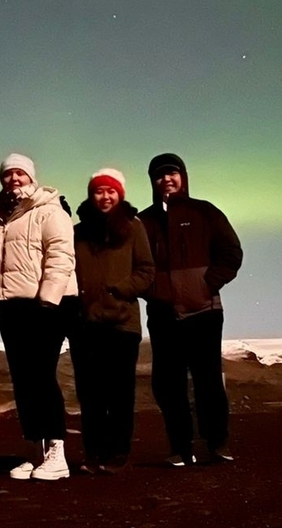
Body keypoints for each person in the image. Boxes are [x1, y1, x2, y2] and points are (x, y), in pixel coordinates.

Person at [138, 153, 243, 466]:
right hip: (163, 315)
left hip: (205, 311)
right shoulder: (144, 221)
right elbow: (136, 265)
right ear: (153, 182)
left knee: (208, 380)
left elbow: (231, 251)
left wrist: (208, 283)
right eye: (159, 176)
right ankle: (180, 448)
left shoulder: (204, 211)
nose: (167, 179)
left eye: (172, 173)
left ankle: (217, 443)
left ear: (183, 176)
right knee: (168, 384)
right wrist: (156, 292)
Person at [0, 154, 78, 481]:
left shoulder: (50, 210)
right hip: (12, 305)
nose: (14, 179)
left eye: (19, 173)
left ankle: (57, 452)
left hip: (45, 305)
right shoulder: (0, 216)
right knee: (23, 379)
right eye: (8, 174)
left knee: (41, 376)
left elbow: (61, 255)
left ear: (31, 177)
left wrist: (49, 299)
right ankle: (35, 450)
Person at [70, 168, 155, 474]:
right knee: (90, 393)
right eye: (98, 191)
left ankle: (118, 452)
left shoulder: (133, 227)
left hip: (122, 323)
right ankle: (94, 453)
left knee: (119, 393)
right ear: (91, 195)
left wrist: (120, 290)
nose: (104, 197)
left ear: (120, 195)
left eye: (111, 191)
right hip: (85, 324)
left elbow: (146, 269)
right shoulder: (78, 232)